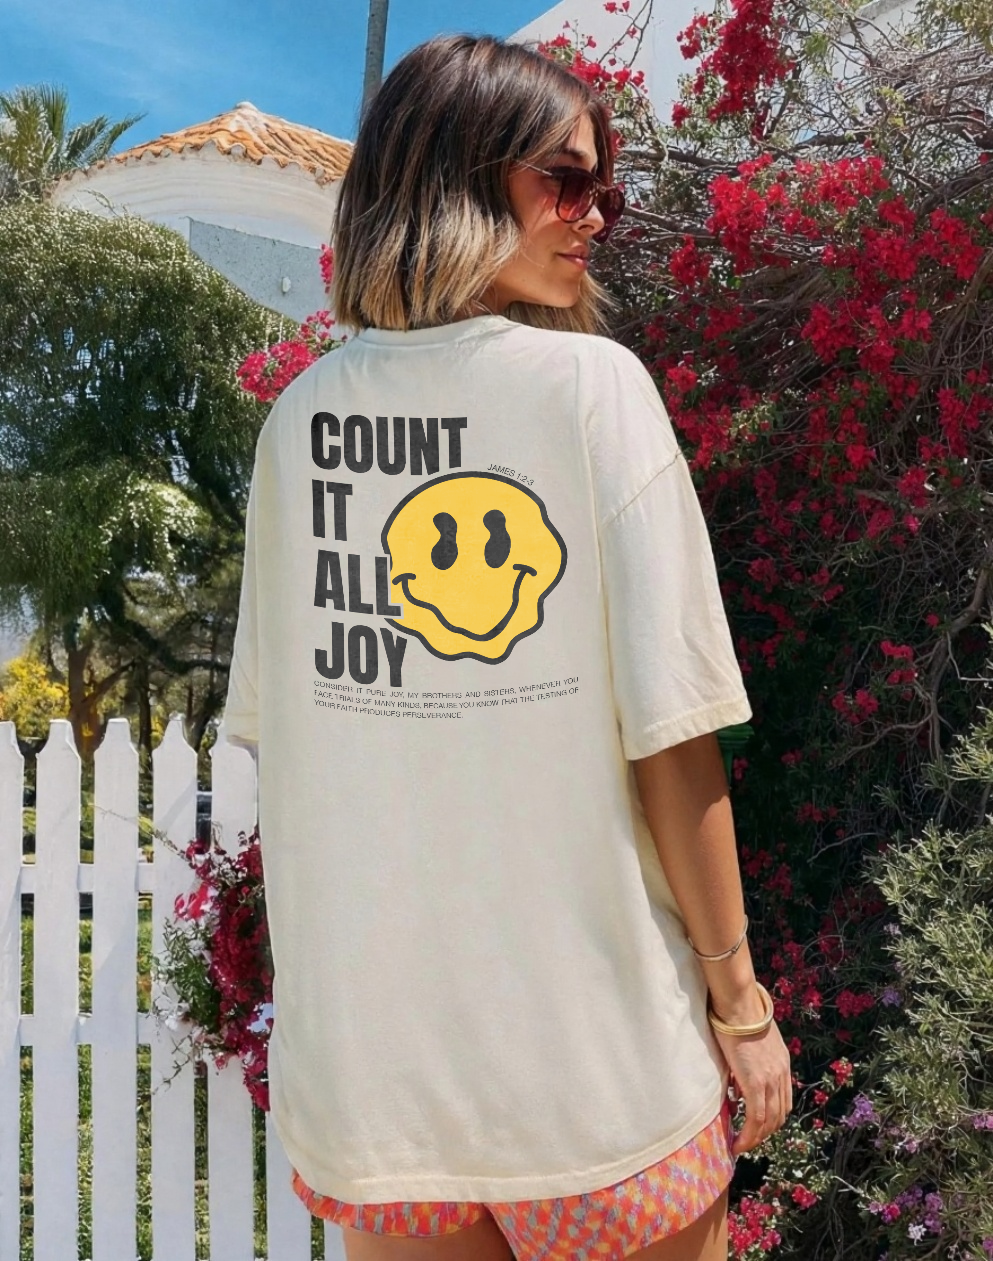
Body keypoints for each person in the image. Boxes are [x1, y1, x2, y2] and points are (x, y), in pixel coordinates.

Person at [222, 31, 792, 1261]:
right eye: (565, 181)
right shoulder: (595, 392)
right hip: (599, 1083)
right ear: (458, 177)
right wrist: (740, 1002)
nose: (595, 215)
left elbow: (296, 755)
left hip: (381, 1101)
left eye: (603, 189)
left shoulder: (298, 426)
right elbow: (673, 736)